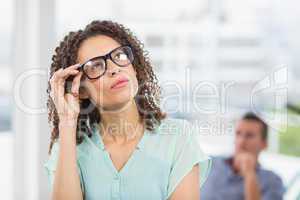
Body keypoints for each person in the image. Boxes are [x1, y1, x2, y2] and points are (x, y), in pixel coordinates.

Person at [44, 20, 211, 200]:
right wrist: (67, 122)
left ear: (134, 68)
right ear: (81, 89)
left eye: (119, 56)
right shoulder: (68, 147)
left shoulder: (179, 138)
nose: (114, 69)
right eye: (96, 66)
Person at [201, 112, 284, 200]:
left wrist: (249, 174)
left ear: (264, 144)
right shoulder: (208, 163)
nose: (241, 141)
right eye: (238, 133)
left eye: (249, 135)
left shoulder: (272, 181)